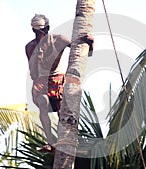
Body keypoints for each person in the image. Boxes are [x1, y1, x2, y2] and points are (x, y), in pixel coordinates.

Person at [25, 14, 93, 152]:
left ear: (48, 28)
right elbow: (33, 73)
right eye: (36, 32)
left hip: (57, 80)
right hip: (41, 82)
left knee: (63, 110)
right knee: (43, 104)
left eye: (42, 31)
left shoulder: (59, 40)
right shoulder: (30, 47)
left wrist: (90, 44)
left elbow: (82, 50)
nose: (39, 34)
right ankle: (50, 142)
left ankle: (64, 140)